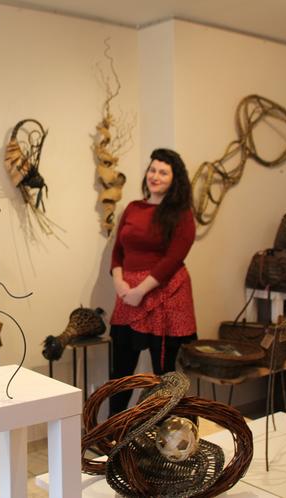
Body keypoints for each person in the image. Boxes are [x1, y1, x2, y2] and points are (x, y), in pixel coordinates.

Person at [108, 148, 198, 416]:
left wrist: (141, 290)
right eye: (152, 170)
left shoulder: (181, 214)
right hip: (127, 295)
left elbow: (173, 258)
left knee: (166, 374)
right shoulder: (133, 208)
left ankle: (170, 438)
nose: (155, 176)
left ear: (174, 179)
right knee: (121, 371)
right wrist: (120, 284)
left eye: (163, 172)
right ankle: (111, 433)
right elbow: (117, 252)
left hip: (165, 295)